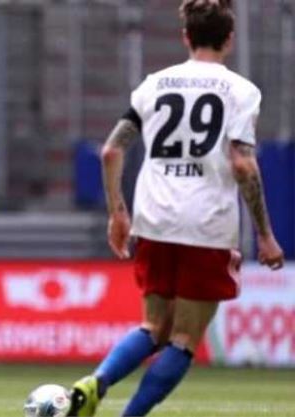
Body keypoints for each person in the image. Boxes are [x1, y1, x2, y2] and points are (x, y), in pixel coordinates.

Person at [68, 1, 284, 416]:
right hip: (206, 223)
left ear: (186, 36)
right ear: (229, 40)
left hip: (154, 218)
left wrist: (118, 212)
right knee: (183, 338)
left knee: (153, 328)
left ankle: (97, 380)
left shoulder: (154, 85)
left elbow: (112, 150)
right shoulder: (241, 91)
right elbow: (242, 163)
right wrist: (264, 233)